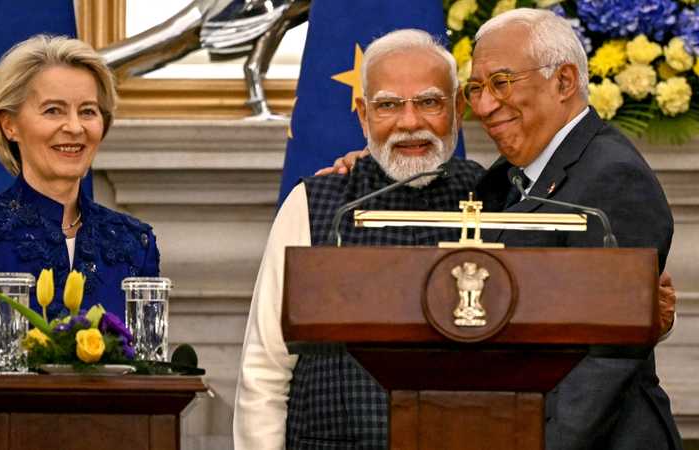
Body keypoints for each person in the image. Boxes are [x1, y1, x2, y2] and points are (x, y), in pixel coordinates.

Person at [320, 9, 681, 450]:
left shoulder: (612, 176)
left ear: (564, 82)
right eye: (476, 88)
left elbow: (605, 361)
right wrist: (371, 163)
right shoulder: (510, 176)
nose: (485, 106)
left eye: (501, 82)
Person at [0, 35, 160, 450]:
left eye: (88, 111)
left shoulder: (135, 242)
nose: (74, 127)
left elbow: (149, 375)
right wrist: (10, 436)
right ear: (10, 124)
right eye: (53, 110)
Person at [233, 29, 484, 450]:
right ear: (364, 115)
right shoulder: (313, 203)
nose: (410, 123)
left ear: (458, 108)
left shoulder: (495, 198)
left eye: (428, 102)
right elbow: (265, 370)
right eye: (388, 105)